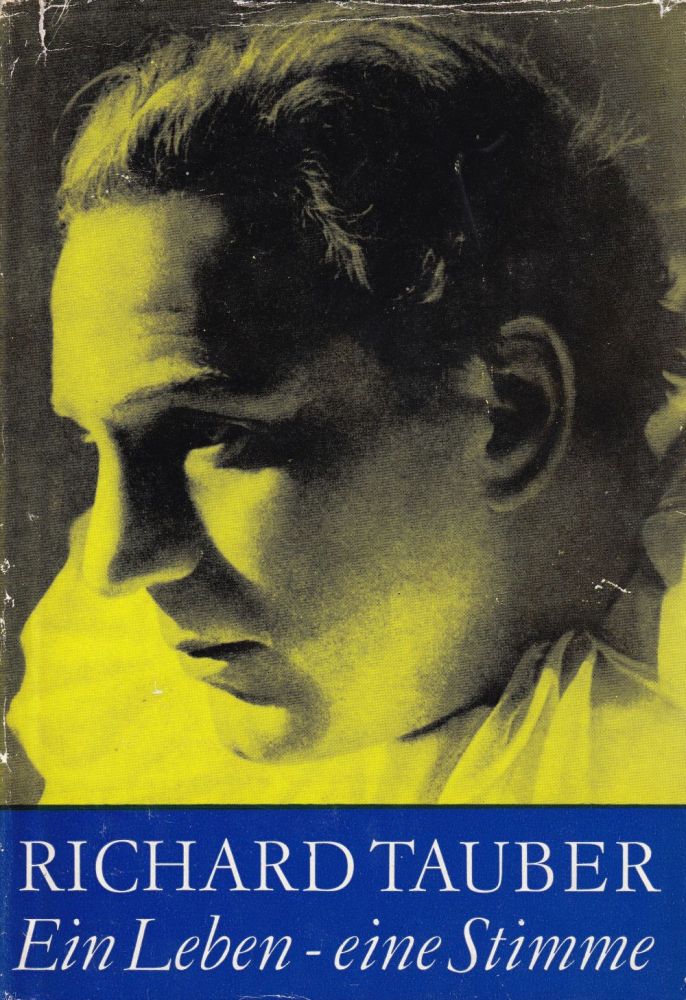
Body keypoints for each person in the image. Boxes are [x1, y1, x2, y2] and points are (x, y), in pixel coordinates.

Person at [9, 7, 686, 803]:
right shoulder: (145, 725)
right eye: (95, 443)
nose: (114, 564)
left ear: (512, 411)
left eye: (214, 431)